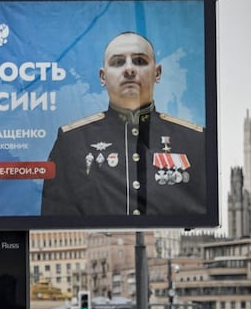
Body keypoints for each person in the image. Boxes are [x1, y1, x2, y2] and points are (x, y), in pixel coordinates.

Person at [40, 31, 206, 216]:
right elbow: (55, 216)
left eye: (140, 61)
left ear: (157, 73)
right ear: (103, 77)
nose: (129, 69)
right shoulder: (72, 142)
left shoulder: (195, 140)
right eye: (118, 62)